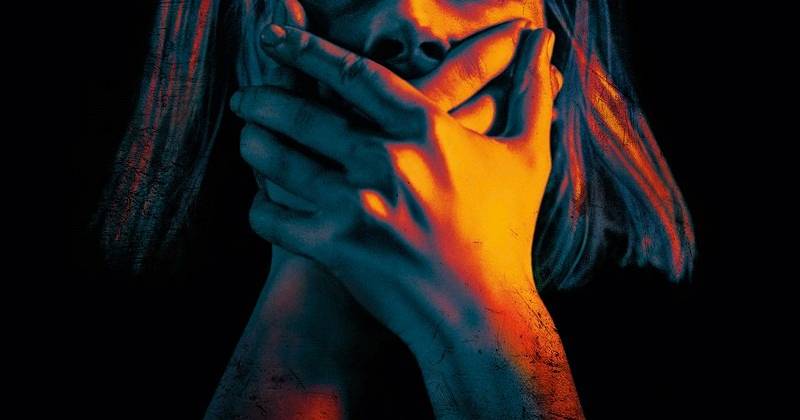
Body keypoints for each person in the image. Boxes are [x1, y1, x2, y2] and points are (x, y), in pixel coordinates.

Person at [93, 0, 696, 418]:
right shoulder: (138, 321)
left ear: (552, 20)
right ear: (249, 21)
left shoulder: (655, 328)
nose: (409, 19)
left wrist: (484, 312)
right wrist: (310, 290)